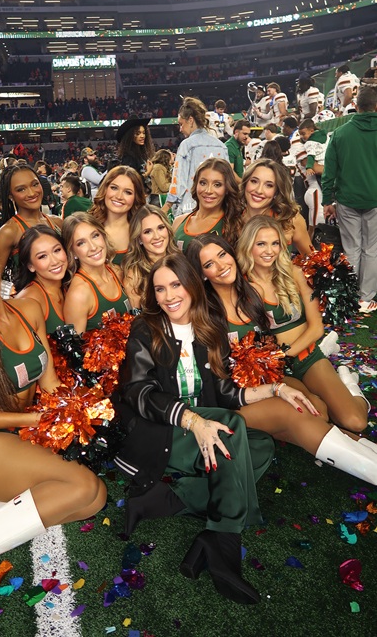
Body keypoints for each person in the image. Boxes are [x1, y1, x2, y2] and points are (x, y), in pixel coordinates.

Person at [0, 240, 106, 594]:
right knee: (83, 487)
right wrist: (34, 420)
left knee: (95, 499)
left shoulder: (28, 308)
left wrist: (75, 411)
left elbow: (49, 381)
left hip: (20, 433)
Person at [115, 252, 280, 604]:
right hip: (158, 430)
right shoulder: (146, 328)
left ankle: (170, 498)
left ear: (192, 285)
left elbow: (224, 393)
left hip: (202, 427)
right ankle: (224, 542)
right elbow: (138, 392)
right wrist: (193, 420)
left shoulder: (210, 326)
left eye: (176, 285)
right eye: (160, 289)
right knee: (231, 430)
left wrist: (275, 389)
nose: (168, 296)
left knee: (262, 446)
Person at [186, 233, 377, 484]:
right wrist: (273, 390)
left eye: (222, 255)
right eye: (209, 264)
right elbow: (220, 387)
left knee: (319, 411)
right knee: (298, 411)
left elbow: (270, 348)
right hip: (234, 401)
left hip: (267, 383)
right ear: (201, 274)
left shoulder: (250, 296)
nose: (221, 265)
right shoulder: (205, 315)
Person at [237, 215, 370, 434]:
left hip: (305, 357)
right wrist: (273, 361)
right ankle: (322, 396)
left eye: (275, 243)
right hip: (275, 371)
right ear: (248, 245)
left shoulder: (295, 273)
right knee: (319, 415)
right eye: (261, 244)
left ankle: (350, 386)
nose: (269, 251)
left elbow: (316, 328)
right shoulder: (240, 284)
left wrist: (284, 354)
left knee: (355, 422)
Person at [322, 86, 377, 313]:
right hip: (374, 200)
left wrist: (327, 200)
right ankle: (366, 298)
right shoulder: (341, 133)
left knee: (352, 249)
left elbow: (329, 171)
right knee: (372, 249)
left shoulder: (341, 133)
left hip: (347, 199)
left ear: (355, 106)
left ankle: (351, 296)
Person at [225, 158, 313, 255]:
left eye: (269, 185)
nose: (259, 190)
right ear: (245, 183)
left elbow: (312, 259)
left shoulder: (290, 220)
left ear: (276, 191)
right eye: (254, 181)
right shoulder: (232, 217)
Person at [62, 212, 131, 334]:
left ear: (103, 236)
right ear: (72, 252)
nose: (93, 247)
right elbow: (77, 345)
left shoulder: (116, 271)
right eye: (81, 243)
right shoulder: (79, 294)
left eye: (95, 236)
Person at [0, 164, 63, 279]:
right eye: (21, 189)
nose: (31, 193)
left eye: (35, 184)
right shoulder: (9, 232)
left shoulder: (57, 222)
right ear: (11, 196)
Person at [165, 97, 229, 217]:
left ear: (190, 120)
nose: (180, 129)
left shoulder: (186, 145)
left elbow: (179, 181)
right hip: (217, 210)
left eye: (181, 124)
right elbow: (227, 181)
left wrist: (167, 205)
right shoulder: (221, 146)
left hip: (190, 210)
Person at [172, 157, 237, 252]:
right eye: (203, 183)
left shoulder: (234, 226)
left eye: (217, 185)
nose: (208, 190)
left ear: (227, 188)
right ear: (196, 184)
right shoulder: (178, 222)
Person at [122, 204, 179, 309]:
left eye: (160, 228)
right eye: (147, 232)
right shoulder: (134, 275)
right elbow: (136, 315)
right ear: (139, 239)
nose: (157, 236)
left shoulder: (181, 261)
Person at [89, 165, 146, 266]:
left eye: (128, 192)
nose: (119, 196)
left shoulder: (142, 231)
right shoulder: (87, 227)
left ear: (135, 197)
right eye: (114, 188)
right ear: (105, 189)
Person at [14, 225, 67, 334]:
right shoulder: (29, 301)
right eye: (42, 256)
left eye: (57, 250)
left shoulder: (70, 283)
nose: (54, 261)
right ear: (30, 266)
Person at [116, 117, 154, 196]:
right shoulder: (128, 156)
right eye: (138, 133)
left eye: (144, 133)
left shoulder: (139, 154)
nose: (142, 136)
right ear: (130, 136)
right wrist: (147, 173)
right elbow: (129, 180)